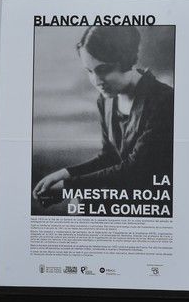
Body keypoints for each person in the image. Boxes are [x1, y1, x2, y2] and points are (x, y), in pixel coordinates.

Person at [32, 26, 174, 210]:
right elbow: (110, 157)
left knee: (82, 202)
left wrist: (70, 187)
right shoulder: (106, 102)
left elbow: (137, 168)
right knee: (82, 202)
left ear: (125, 59)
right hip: (127, 191)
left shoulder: (163, 100)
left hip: (157, 201)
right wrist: (64, 174)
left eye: (104, 69)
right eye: (89, 71)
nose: (97, 81)